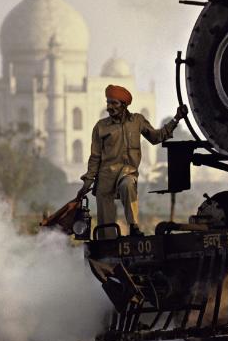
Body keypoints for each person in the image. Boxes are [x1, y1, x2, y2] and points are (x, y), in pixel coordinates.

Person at [77, 84, 188, 235]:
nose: (109, 107)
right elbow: (95, 156)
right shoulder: (101, 127)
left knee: (128, 185)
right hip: (105, 178)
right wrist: (87, 182)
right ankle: (109, 249)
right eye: (108, 102)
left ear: (124, 105)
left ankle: (133, 227)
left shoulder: (137, 121)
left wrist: (176, 119)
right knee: (107, 229)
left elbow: (156, 137)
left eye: (114, 103)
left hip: (127, 172)